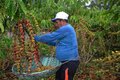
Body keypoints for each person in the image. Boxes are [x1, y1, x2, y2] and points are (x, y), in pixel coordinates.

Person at [34, 11, 80, 80]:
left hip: (68, 62)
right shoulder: (65, 30)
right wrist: (45, 41)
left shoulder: (67, 28)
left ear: (62, 21)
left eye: (56, 22)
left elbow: (50, 37)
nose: (55, 24)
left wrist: (36, 37)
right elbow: (56, 42)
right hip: (62, 63)